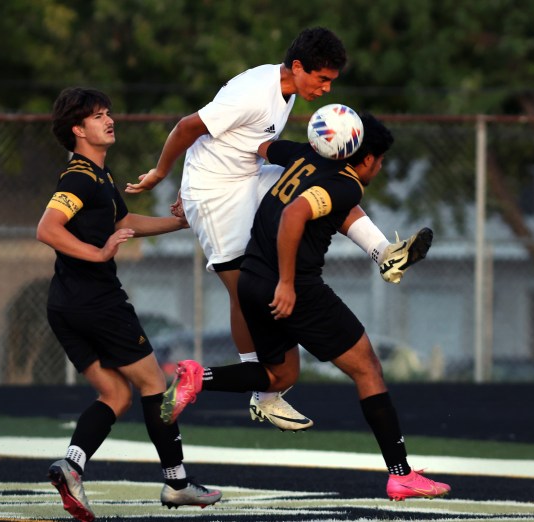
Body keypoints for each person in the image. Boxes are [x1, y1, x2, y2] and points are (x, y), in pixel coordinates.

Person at [125, 27, 432, 432]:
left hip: (246, 173)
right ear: (299, 67)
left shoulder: (286, 90)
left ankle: (384, 253)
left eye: (331, 82)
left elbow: (248, 143)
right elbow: (187, 127)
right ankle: (263, 394)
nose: (325, 89)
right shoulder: (254, 91)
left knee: (324, 187)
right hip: (215, 191)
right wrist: (162, 175)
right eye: (322, 79)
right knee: (241, 285)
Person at [159, 112, 450, 501]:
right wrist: (287, 283)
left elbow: (261, 146)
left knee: (278, 375)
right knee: (368, 369)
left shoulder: (301, 154)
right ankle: (401, 474)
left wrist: (198, 183)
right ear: (365, 159)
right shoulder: (346, 187)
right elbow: (296, 214)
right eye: (380, 161)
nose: (379, 168)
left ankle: (198, 377)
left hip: (250, 280)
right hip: (294, 288)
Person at [36, 87, 221, 522]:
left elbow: (125, 223)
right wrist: (99, 254)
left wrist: (181, 221)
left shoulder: (99, 177)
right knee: (155, 383)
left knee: (115, 392)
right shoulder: (79, 177)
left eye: (108, 112)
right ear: (77, 130)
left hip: (65, 303)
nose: (109, 119)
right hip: (96, 300)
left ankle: (72, 465)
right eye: (98, 116)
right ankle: (177, 484)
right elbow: (47, 228)